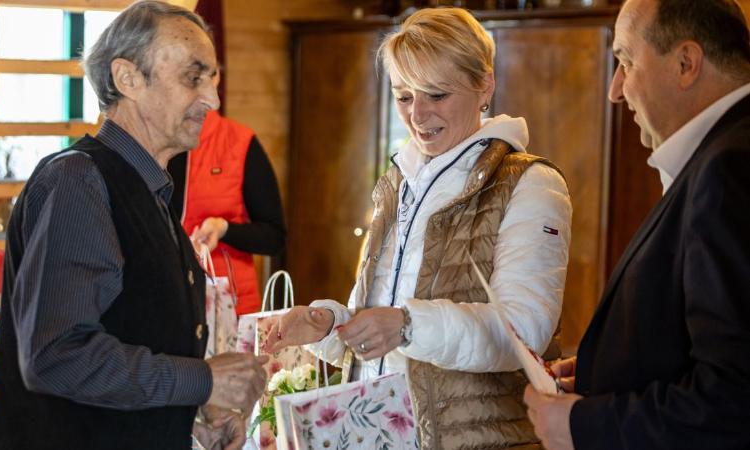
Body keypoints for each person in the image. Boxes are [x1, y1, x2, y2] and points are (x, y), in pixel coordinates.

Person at [265, 7, 572, 449]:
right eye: (404, 96)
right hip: (382, 431)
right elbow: (377, 316)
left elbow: (522, 334)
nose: (418, 115)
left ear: (484, 85)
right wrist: (330, 325)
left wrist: (407, 326)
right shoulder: (398, 180)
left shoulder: (529, 183)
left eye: (436, 95)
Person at [0, 3, 268, 450]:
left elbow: (128, 339)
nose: (212, 99)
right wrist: (202, 382)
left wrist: (182, 425)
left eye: (213, 78)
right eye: (194, 77)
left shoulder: (148, 188)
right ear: (127, 78)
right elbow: (57, 357)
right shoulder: (78, 180)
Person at [523, 1, 750, 449]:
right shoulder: (719, 156)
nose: (615, 89)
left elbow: (733, 398)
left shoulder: (731, 168)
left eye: (626, 61)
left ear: (686, 63)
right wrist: (604, 371)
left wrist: (584, 425)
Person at [168, 107, 286, 315]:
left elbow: (274, 237)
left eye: (208, 75)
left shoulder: (239, 142)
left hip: (226, 308)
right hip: (164, 301)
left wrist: (224, 229)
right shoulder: (147, 140)